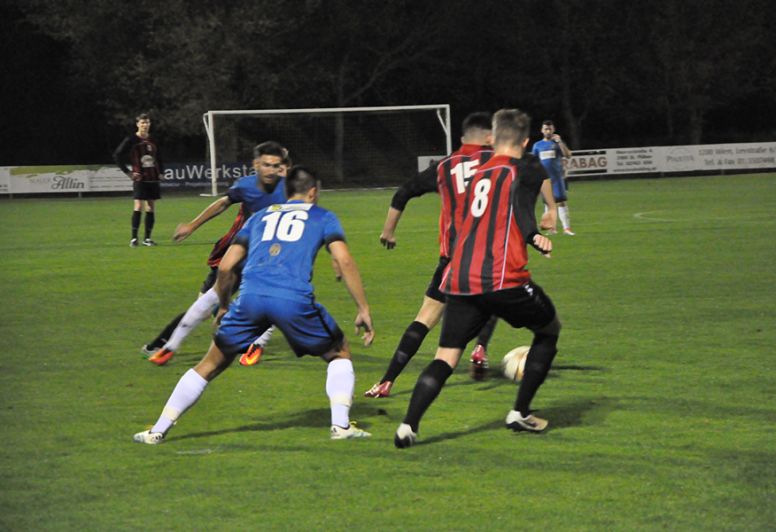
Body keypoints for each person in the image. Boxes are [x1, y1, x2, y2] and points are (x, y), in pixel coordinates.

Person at [133, 166, 375, 444]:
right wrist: (363, 309)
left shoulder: (260, 216)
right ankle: (340, 426)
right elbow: (344, 260)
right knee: (339, 352)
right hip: (292, 299)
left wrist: (224, 306)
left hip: (249, 299)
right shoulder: (322, 216)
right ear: (313, 192)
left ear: (286, 192)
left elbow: (226, 267)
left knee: (210, 364)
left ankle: (157, 430)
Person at [395, 109, 561, 448]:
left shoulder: (476, 172)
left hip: (460, 278)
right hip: (504, 278)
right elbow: (521, 207)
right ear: (525, 142)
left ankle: (407, 426)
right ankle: (519, 412)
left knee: (445, 356)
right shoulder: (524, 166)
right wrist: (538, 228)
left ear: (494, 139)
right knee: (549, 329)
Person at [364, 113, 496, 398]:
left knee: (424, 318)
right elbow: (538, 177)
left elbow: (404, 191)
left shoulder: (445, 166)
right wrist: (549, 210)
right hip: (487, 257)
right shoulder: (500, 162)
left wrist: (388, 231)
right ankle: (480, 347)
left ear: (462, 138)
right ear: (490, 137)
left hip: (452, 260)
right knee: (497, 298)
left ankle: (386, 381)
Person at [142, 141, 289, 366]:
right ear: (256, 165)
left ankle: (252, 344)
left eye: (278, 165)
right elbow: (223, 203)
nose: (273, 170)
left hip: (270, 255)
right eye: (268, 164)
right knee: (212, 300)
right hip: (240, 251)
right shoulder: (248, 186)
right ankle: (167, 345)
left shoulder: (291, 189)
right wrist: (192, 225)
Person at [114, 113, 164, 247]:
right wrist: (128, 172)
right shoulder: (131, 139)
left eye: (147, 122)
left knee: (151, 207)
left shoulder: (153, 139)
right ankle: (134, 238)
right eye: (142, 123)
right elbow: (117, 155)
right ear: (137, 124)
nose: (145, 125)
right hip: (140, 177)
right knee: (138, 206)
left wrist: (162, 172)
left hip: (153, 178)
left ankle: (147, 239)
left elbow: (159, 156)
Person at [531, 120, 574, 235]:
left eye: (550, 129)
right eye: (546, 129)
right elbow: (533, 162)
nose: (548, 131)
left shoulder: (557, 143)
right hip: (544, 179)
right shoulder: (537, 145)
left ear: (553, 130)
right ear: (542, 130)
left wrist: (560, 142)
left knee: (562, 202)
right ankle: (552, 229)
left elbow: (568, 155)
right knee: (548, 204)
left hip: (557, 178)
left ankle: (567, 229)